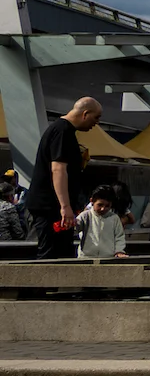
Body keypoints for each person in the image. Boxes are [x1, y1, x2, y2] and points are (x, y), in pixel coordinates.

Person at [29, 97, 101, 260]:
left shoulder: (63, 130)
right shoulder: (62, 131)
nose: (96, 123)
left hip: (53, 206)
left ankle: (49, 285)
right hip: (51, 206)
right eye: (96, 117)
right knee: (51, 254)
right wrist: (65, 206)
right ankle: (44, 286)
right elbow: (58, 169)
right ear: (85, 114)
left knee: (61, 254)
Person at [76, 189, 128, 260]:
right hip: (86, 257)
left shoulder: (114, 218)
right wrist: (73, 224)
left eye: (107, 206)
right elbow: (76, 229)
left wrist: (119, 251)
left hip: (108, 257)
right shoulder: (85, 216)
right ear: (92, 201)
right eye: (100, 205)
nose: (103, 209)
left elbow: (119, 237)